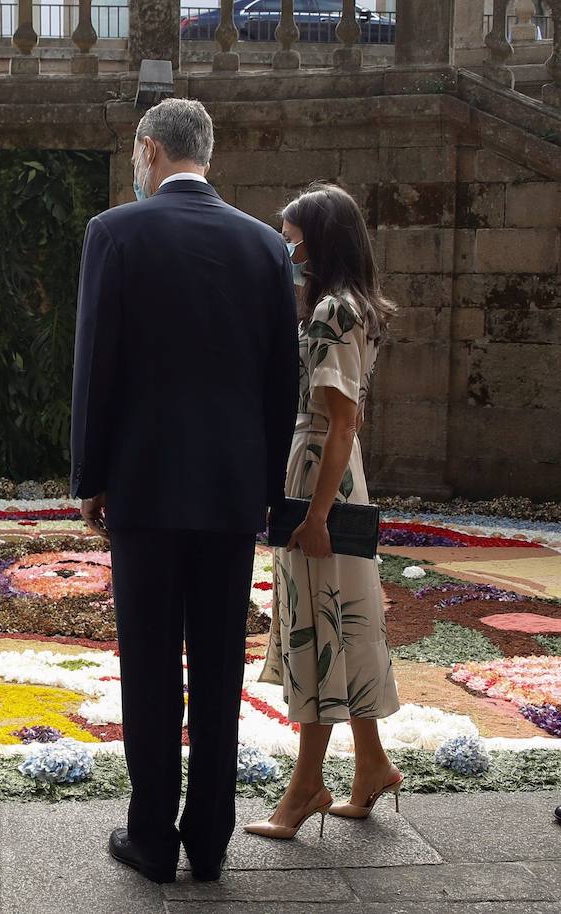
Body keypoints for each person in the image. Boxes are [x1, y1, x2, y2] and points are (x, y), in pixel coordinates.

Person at [70, 97, 298, 884]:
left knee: (150, 666)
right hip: (234, 493)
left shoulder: (115, 234)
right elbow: (282, 384)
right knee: (218, 666)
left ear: (148, 151)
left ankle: (150, 838)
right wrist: (270, 489)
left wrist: (91, 479)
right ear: (207, 152)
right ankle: (210, 838)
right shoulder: (267, 248)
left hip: (144, 482)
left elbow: (97, 366)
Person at [246, 183, 402, 839]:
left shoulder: (336, 311)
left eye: (292, 237)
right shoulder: (346, 306)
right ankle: (371, 766)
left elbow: (341, 422)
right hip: (331, 474)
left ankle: (307, 786)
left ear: (320, 239)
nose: (286, 248)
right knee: (344, 618)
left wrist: (312, 517)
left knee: (317, 624)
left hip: (322, 478)